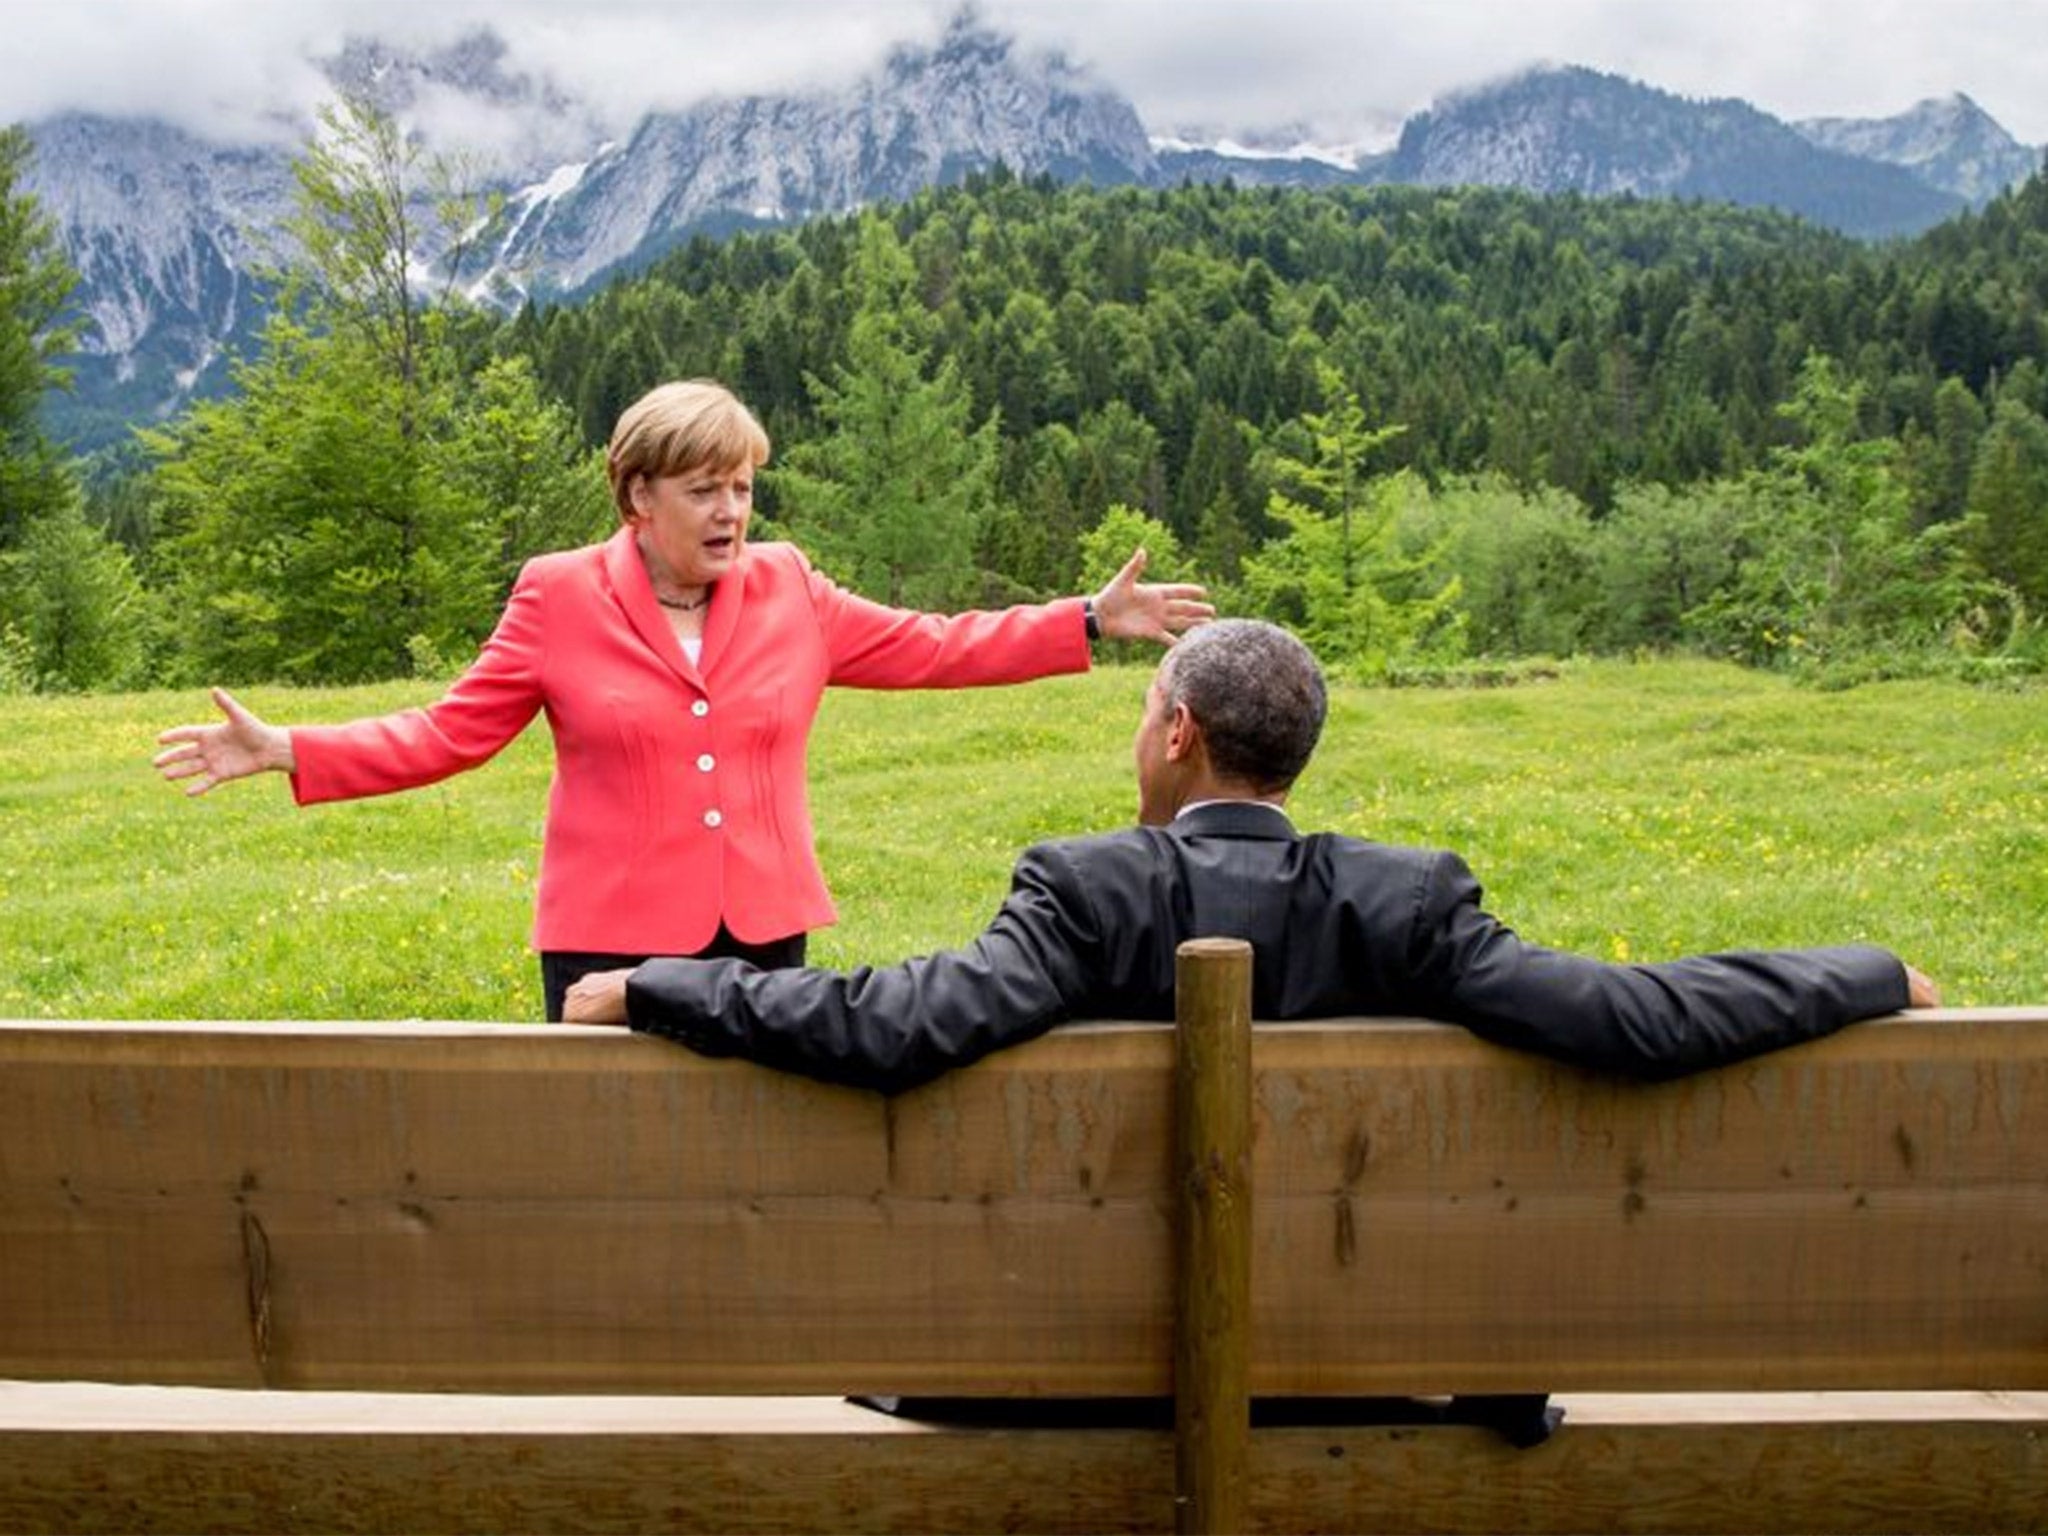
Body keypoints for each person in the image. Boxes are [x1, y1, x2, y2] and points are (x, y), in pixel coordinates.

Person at [153, 379, 1213, 1020]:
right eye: (705, 489)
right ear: (637, 496)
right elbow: (448, 732)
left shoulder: (790, 585)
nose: (731, 511)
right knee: (609, 1166)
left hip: (760, 930)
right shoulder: (555, 594)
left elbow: (930, 646)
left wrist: (1081, 618)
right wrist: (291, 747)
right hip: (606, 935)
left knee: (753, 1156)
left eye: (743, 487)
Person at [565, 618, 1939, 1089]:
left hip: (1075, 1381)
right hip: (1376, 1370)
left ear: (1174, 732)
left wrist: (661, 985)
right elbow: (1638, 1017)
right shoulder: (1409, 903)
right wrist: (1869, 970)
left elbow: (898, 1026)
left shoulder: (1084, 891)